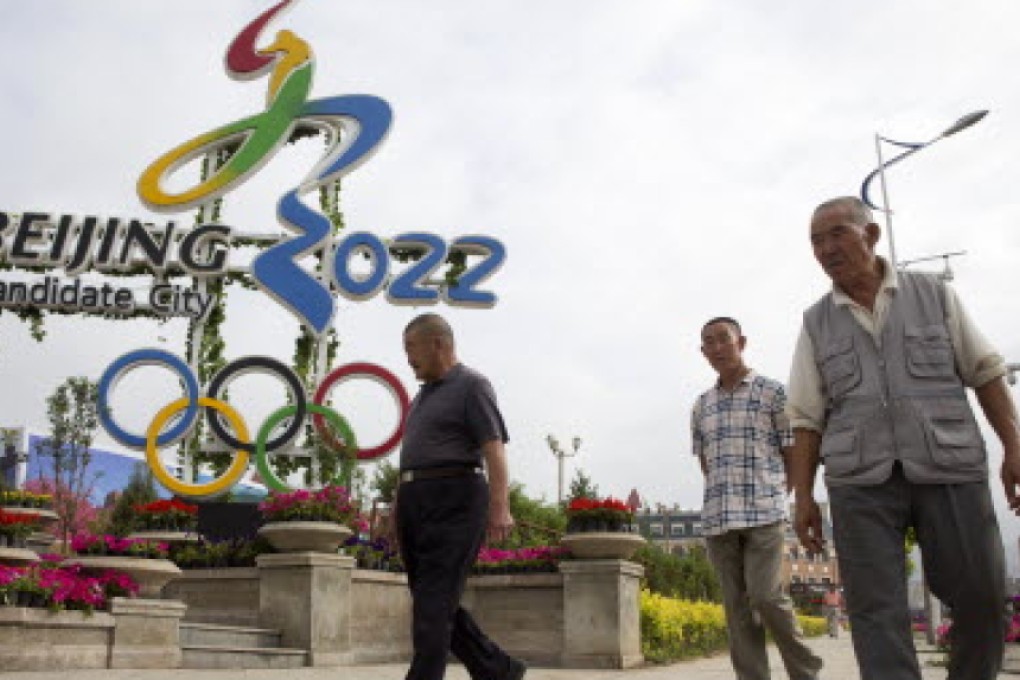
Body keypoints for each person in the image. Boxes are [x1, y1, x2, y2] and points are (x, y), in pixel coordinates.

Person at [787, 196, 1019, 680]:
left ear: (870, 236)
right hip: (859, 478)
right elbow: (806, 415)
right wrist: (804, 495)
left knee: (981, 595)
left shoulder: (933, 295)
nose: (825, 248)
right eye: (815, 240)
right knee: (876, 610)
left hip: (948, 464)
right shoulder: (815, 321)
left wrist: (1014, 445)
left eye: (837, 234)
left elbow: (985, 371)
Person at [391, 312, 526, 680]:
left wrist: (501, 506)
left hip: (456, 500)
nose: (407, 358)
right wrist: (395, 506)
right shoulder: (421, 398)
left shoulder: (472, 385)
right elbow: (411, 458)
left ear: (438, 344)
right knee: (435, 600)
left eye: (411, 348)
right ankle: (498, 669)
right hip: (415, 503)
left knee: (433, 605)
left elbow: (493, 448)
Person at [692, 317, 823, 680]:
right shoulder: (701, 406)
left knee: (766, 597)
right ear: (703, 352)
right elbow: (707, 462)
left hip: (765, 513)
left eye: (724, 339)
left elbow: (793, 450)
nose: (717, 348)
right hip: (719, 518)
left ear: (741, 342)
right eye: (708, 343)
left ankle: (806, 669)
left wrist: (792, 495)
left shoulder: (773, 393)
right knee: (736, 611)